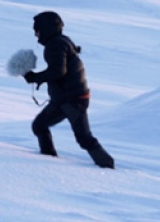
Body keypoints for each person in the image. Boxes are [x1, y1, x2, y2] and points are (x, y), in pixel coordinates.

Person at [23, 11, 115, 168]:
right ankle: (47, 159)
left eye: (37, 30)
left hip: (71, 100)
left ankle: (107, 165)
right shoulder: (62, 41)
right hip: (68, 98)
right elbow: (60, 71)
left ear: (46, 29)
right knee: (40, 125)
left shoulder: (55, 45)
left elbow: (58, 71)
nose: (36, 35)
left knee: (83, 138)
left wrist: (36, 77)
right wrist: (39, 78)